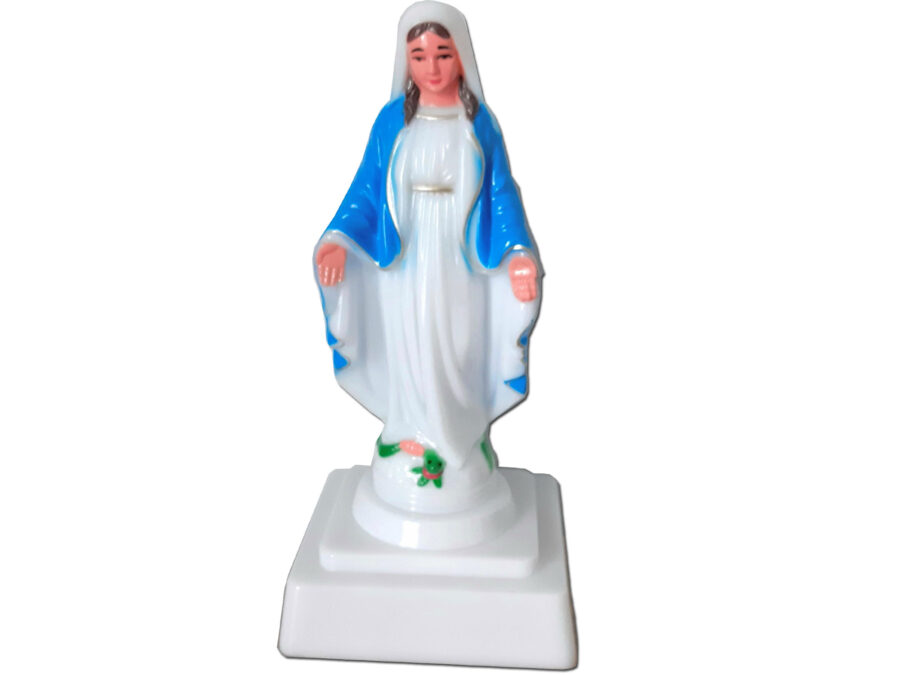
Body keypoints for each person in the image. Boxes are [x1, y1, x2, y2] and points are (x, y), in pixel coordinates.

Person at [314, 1, 541, 533]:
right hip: (406, 261)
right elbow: (366, 189)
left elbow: (501, 194)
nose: (432, 67)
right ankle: (410, 433)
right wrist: (339, 240)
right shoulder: (392, 121)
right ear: (406, 61)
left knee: (455, 345)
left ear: (461, 57)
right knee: (411, 342)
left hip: (459, 263)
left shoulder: (479, 123)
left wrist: (518, 255)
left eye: (442, 54)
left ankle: (458, 438)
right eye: (419, 57)